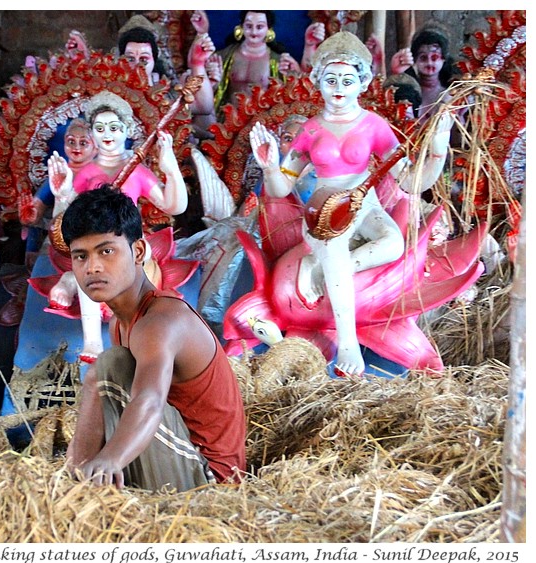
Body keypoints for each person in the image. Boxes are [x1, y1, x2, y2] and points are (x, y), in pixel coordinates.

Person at [249, 31, 453, 377]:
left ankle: (325, 272)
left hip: (366, 203)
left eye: (347, 80)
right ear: (318, 83)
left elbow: (409, 181)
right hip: (324, 209)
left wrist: (438, 147)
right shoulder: (311, 130)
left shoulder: (374, 125)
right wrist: (269, 166)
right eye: (330, 80)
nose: (338, 88)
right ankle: (347, 343)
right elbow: (282, 186)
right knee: (336, 248)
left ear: (362, 83)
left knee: (392, 243)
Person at [62, 186, 246, 491]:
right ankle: (75, 481)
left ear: (137, 252)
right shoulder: (121, 324)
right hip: (172, 458)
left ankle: (78, 480)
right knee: (105, 371)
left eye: (106, 251)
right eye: (80, 256)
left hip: (210, 483)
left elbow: (149, 401)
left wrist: (109, 459)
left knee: (108, 365)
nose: (92, 267)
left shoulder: (160, 321)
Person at [46, 90, 188, 362]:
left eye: (114, 127)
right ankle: (92, 342)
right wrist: (62, 194)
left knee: (126, 266)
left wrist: (170, 168)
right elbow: (63, 226)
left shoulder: (137, 171)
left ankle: (136, 334)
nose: (107, 134)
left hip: (129, 244)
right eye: (99, 128)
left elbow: (174, 206)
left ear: (127, 130)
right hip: (94, 245)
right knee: (90, 265)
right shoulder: (86, 173)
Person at [211, 11, 301, 111]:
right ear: (241, 26)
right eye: (249, 26)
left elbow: (289, 96)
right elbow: (211, 90)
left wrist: (294, 75)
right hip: (228, 117)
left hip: (262, 120)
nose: (254, 32)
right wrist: (213, 82)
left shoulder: (279, 62)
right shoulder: (223, 57)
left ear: (268, 29)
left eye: (259, 27)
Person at [390, 24, 458, 125]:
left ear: (443, 59)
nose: (429, 63)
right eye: (423, 58)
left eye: (434, 58)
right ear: (415, 60)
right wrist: (397, 73)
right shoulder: (408, 91)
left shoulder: (452, 93)